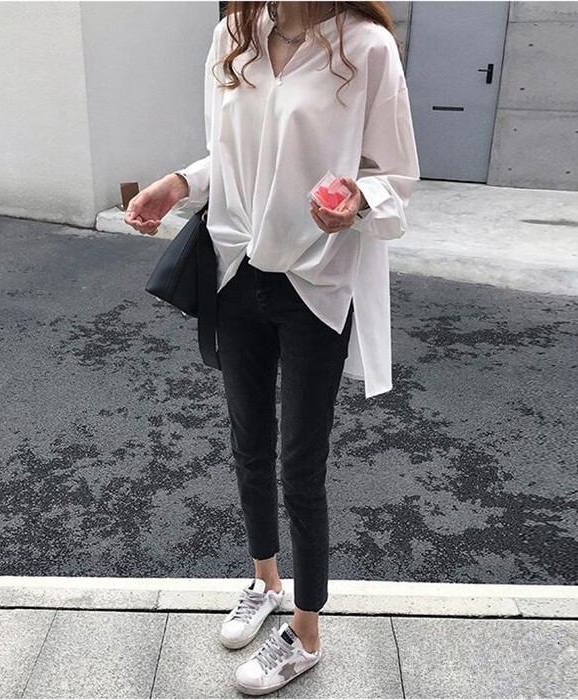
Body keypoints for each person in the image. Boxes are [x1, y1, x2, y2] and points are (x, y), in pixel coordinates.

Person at [125, 1, 419, 694]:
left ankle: (306, 633)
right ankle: (264, 581)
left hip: (316, 280)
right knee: (248, 444)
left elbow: (396, 174)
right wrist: (180, 184)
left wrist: (358, 199)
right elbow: (234, 158)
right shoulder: (234, 35)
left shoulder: (366, 46)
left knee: (300, 464)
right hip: (234, 271)